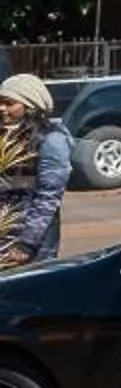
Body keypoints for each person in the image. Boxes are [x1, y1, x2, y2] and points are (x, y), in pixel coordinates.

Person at [0, 73, 70, 270]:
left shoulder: (52, 141)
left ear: (30, 106)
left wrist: (26, 244)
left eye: (9, 103)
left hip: (32, 241)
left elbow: (48, 198)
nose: (1, 108)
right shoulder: (9, 137)